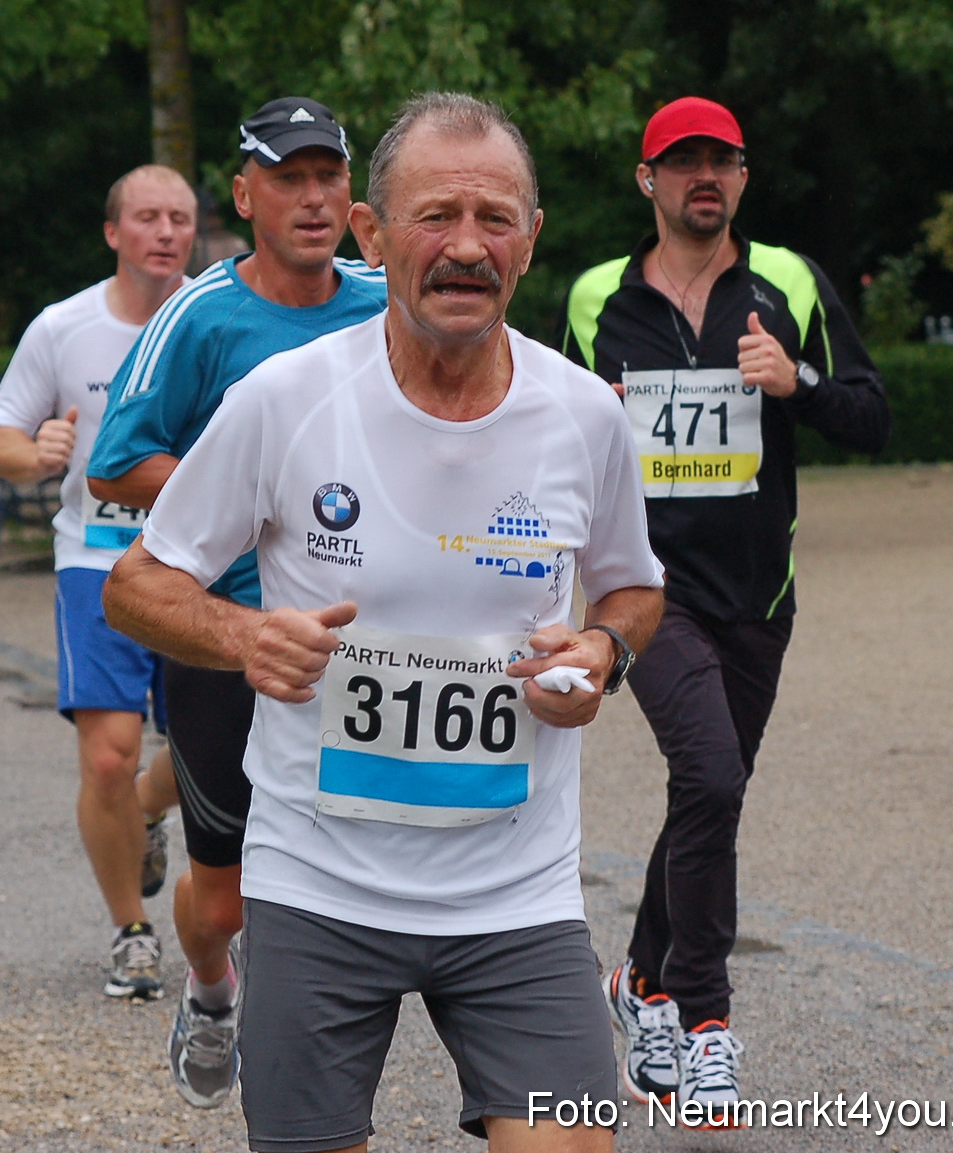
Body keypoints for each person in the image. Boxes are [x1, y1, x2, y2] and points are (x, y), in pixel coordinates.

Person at [105, 92, 666, 1152]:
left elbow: (635, 585)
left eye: (496, 218)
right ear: (373, 234)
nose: (466, 246)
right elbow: (136, 584)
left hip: (518, 894)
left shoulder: (584, 412)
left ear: (532, 242)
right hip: (318, 886)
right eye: (435, 215)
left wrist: (604, 647)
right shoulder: (284, 398)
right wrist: (241, 638)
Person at [560, 96, 889, 1119]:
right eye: (683, 161)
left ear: (742, 178)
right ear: (647, 181)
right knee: (708, 772)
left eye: (724, 161)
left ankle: (639, 978)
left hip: (760, 593)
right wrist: (590, 425)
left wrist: (796, 383)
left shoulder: (787, 282)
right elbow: (542, 440)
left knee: (713, 788)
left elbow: (873, 416)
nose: (705, 176)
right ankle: (703, 1020)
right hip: (648, 592)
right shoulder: (593, 299)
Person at [86, 97, 386, 1108]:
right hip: (228, 643)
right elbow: (115, 464)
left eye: (327, 177)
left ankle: (319, 1063)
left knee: (359, 874)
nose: (311, 198)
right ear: (245, 193)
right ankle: (211, 991)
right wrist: (253, 490)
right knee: (224, 897)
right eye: (287, 179)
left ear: (354, 195)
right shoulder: (203, 314)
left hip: (364, 648)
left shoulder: (392, 300)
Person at [0, 164, 198, 1001]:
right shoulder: (63, 328)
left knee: (207, 754)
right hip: (95, 562)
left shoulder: (217, 318)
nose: (166, 232)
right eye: (147, 217)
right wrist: (28, 455)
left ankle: (147, 807)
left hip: (197, 566)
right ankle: (131, 931)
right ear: (115, 233)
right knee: (107, 756)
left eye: (180, 216)